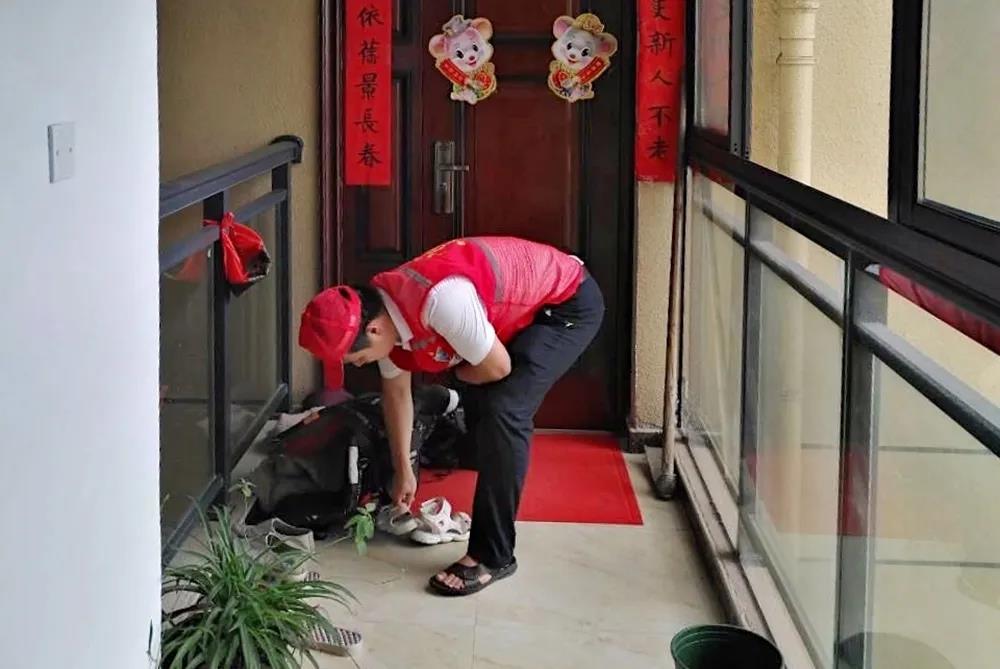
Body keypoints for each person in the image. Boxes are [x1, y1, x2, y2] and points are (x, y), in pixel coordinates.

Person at [298, 236, 604, 596]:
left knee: (505, 410)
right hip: (518, 310)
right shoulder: (385, 315)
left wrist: (453, 373)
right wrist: (403, 469)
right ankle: (483, 463)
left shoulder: (441, 302)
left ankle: (493, 556)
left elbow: (497, 368)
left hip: (565, 304)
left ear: (373, 331)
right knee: (479, 392)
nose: (358, 366)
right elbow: (397, 394)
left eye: (356, 359)